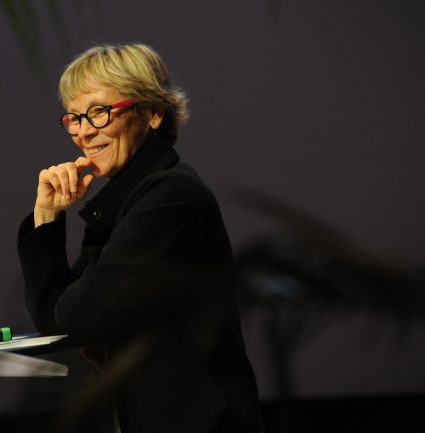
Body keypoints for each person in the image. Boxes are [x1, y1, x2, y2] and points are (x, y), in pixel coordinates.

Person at [17, 43, 263, 433]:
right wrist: (46, 216)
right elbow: (58, 323)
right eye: (74, 118)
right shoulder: (125, 203)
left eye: (99, 112)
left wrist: (86, 329)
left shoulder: (171, 196)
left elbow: (77, 319)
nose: (83, 132)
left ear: (151, 113)